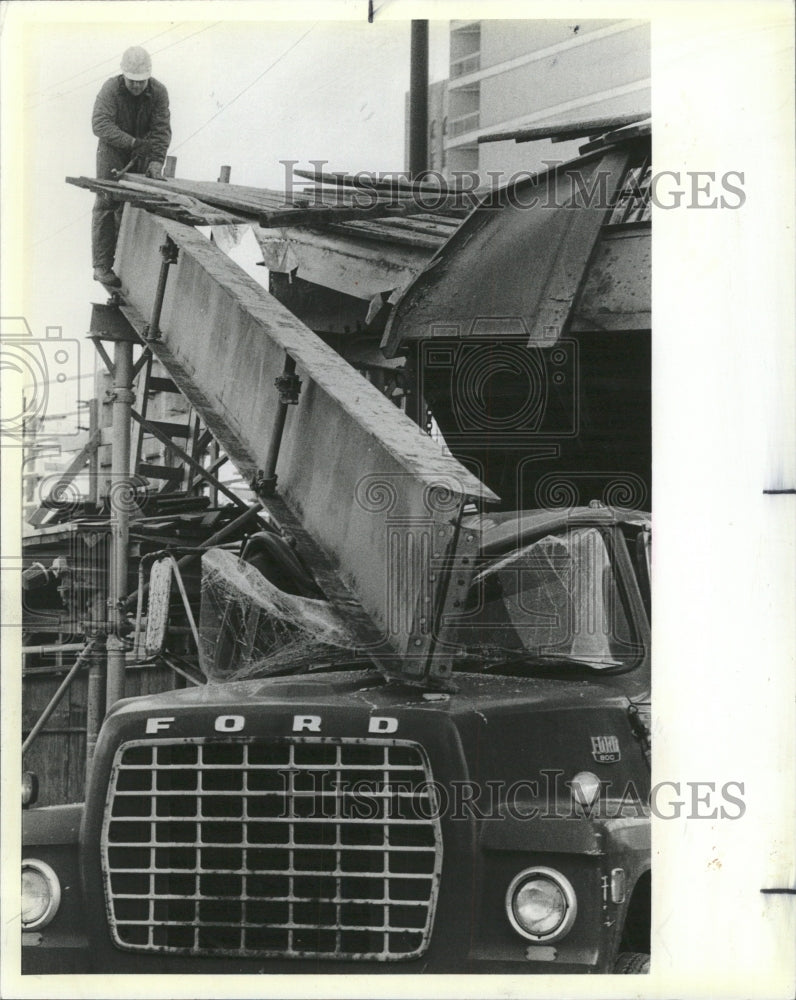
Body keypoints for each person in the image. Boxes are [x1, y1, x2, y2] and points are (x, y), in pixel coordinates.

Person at [91, 46, 171, 286]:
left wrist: (156, 161)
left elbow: (161, 130)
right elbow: (100, 124)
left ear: (149, 77)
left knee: (137, 205)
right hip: (112, 152)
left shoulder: (159, 92)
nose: (137, 86)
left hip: (142, 155)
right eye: (132, 81)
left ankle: (131, 269)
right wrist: (131, 142)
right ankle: (102, 266)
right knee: (107, 204)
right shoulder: (110, 89)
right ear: (123, 75)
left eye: (141, 82)